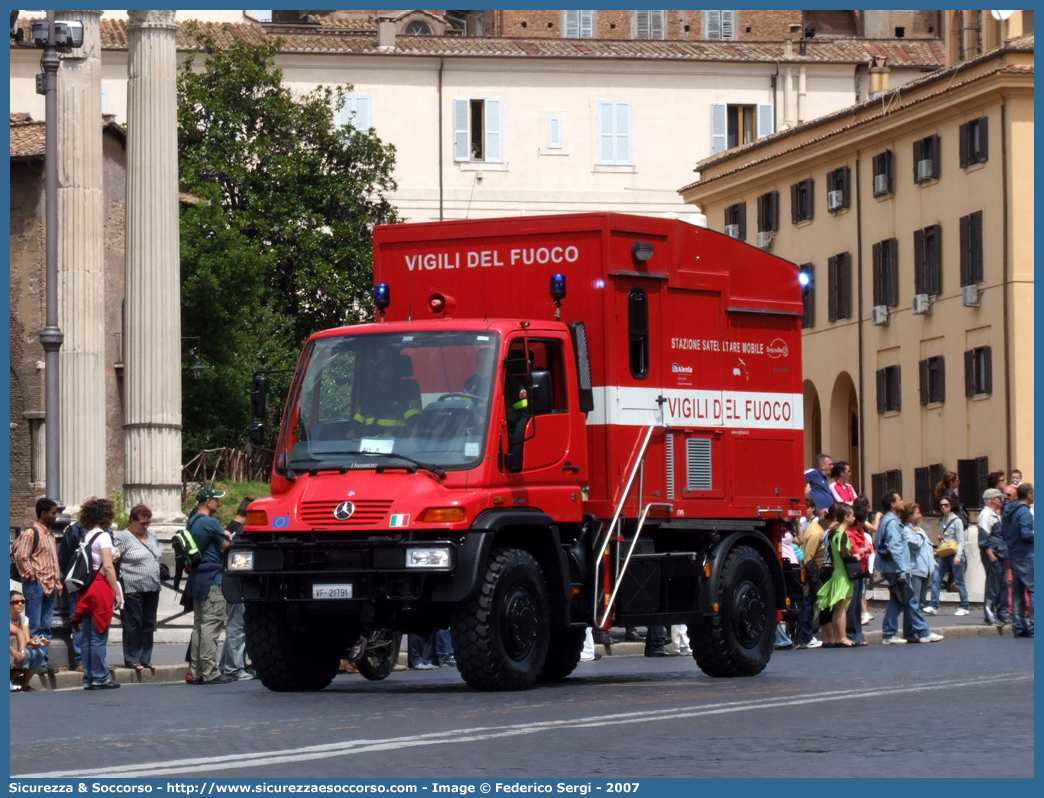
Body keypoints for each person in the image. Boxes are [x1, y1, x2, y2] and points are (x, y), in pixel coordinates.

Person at [69, 498, 122, 690]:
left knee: (88, 636)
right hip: (99, 587)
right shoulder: (104, 536)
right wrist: (117, 591)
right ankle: (100, 676)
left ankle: (89, 677)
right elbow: (108, 566)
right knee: (99, 635)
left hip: (86, 589)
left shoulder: (87, 536)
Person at [187, 487, 233, 685]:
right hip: (213, 579)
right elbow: (226, 548)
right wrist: (229, 536)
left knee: (198, 625)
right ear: (208, 502)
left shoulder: (193, 521)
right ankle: (210, 671)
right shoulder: (211, 522)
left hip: (197, 578)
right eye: (216, 499)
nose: (219, 503)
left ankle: (196, 671)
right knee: (211, 625)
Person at [13, 497, 62, 672]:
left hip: (49, 585)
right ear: (43, 513)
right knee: (35, 625)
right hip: (36, 585)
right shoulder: (31, 533)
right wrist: (31, 576)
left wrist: (56, 580)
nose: (56, 516)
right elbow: (21, 556)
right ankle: (33, 663)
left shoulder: (49, 534)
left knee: (46, 625)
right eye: (53, 513)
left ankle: (42, 660)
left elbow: (51, 559)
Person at [113, 504, 162, 674]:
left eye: (148, 523)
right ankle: (132, 658)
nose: (145, 526)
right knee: (133, 623)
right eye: (142, 523)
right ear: (132, 521)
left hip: (152, 586)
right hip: (132, 586)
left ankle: (145, 658)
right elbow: (114, 559)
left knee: (148, 623)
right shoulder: (124, 538)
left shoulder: (152, 535)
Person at [876, 491, 926, 645]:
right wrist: (902, 571)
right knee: (907, 600)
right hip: (896, 569)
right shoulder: (892, 523)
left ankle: (891, 634)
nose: (903, 502)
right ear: (893, 504)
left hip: (894, 568)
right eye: (900, 500)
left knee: (897, 601)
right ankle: (923, 631)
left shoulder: (890, 521)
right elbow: (896, 548)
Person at [57, 496, 98, 672]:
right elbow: (65, 558)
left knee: (98, 622)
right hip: (80, 583)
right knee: (79, 619)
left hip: (96, 583)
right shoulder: (75, 531)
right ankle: (81, 659)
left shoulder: (103, 531)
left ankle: (95, 660)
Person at [219, 498, 255, 681]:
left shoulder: (230, 528)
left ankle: (227, 665)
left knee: (235, 626)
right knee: (238, 627)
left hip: (232, 583)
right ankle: (234, 668)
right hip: (240, 584)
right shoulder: (241, 531)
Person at [349, 352, 421, 438]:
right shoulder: (371, 395)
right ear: (376, 371)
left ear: (394, 370)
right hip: (367, 446)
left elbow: (414, 425)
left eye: (388, 368)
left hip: (397, 446)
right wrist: (352, 431)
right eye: (382, 369)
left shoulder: (406, 393)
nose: (386, 372)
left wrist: (394, 434)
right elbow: (359, 420)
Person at [900, 504, 944, 643]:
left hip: (925, 570)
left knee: (919, 603)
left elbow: (927, 548)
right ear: (909, 516)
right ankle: (922, 631)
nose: (920, 516)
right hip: (915, 570)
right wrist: (918, 532)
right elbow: (915, 544)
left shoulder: (920, 530)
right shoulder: (907, 530)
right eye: (917, 513)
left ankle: (909, 633)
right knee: (914, 602)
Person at [816, 503, 856, 647]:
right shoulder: (841, 534)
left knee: (837, 607)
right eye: (852, 515)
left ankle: (837, 638)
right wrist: (856, 556)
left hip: (836, 571)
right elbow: (844, 555)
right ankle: (842, 637)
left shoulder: (833, 533)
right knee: (841, 607)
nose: (854, 517)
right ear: (846, 517)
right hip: (841, 573)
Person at [925, 495, 970, 616]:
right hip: (944, 552)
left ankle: (964, 606)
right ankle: (933, 605)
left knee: (959, 581)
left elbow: (961, 541)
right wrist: (941, 538)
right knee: (936, 578)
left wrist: (958, 557)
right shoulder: (941, 521)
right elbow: (945, 538)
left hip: (955, 553)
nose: (943, 507)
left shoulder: (957, 521)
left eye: (946, 505)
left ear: (951, 506)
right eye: (941, 505)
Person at [1001, 482, 1034, 638]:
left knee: (1017, 592)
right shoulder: (1024, 512)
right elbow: (1026, 533)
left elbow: (1004, 532)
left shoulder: (1008, 511)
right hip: (1025, 554)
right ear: (1028, 495)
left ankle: (1019, 626)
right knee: (1034, 590)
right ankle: (1034, 626)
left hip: (1013, 554)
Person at [794, 497, 824, 649]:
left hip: (807, 568)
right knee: (807, 604)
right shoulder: (813, 530)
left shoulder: (813, 527)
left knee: (808, 604)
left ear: (812, 508)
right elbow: (808, 555)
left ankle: (805, 635)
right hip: (808, 569)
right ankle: (806, 635)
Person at [978, 488, 1008, 626]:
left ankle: (1002, 613)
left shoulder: (994, 514)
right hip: (993, 555)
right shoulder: (986, 515)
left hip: (999, 554)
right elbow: (984, 539)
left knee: (1002, 584)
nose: (1001, 500)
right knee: (993, 585)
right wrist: (990, 555)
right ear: (993, 500)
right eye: (999, 498)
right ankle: (990, 615)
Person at [843, 505, 872, 645]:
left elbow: (869, 549)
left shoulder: (860, 531)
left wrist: (864, 549)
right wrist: (864, 549)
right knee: (853, 604)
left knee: (857, 605)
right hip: (853, 570)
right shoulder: (849, 534)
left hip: (862, 569)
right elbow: (856, 552)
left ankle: (858, 635)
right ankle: (852, 634)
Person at [9, 591, 48, 691]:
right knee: (26, 654)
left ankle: (23, 685)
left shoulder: (23, 619)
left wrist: (33, 642)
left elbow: (25, 640)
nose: (20, 604)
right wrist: (18, 653)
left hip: (16, 648)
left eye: (22, 601)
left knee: (38, 653)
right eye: (16, 602)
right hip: (10, 649)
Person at [804, 454, 834, 519]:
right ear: (822, 466)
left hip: (827, 516)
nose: (832, 466)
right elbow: (798, 476)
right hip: (817, 516)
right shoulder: (814, 473)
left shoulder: (826, 479)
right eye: (830, 464)